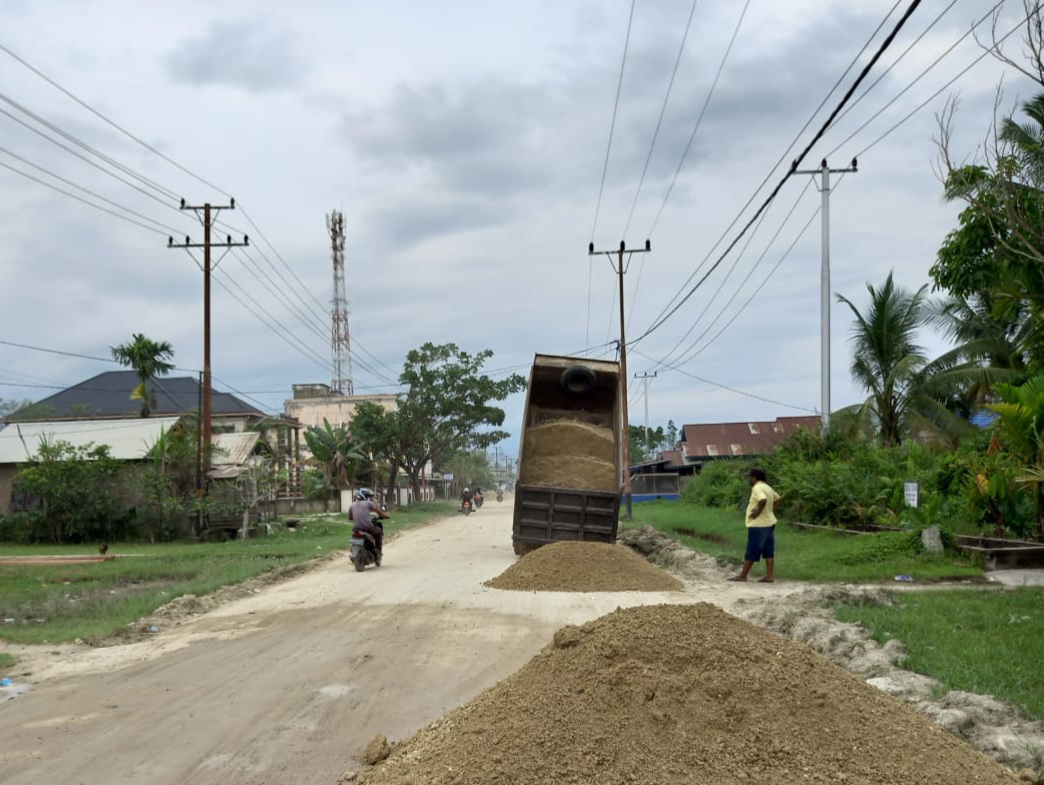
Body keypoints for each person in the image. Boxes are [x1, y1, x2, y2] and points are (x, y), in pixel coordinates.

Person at [728, 467, 782, 583]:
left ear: (754, 477)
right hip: (769, 523)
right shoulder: (767, 487)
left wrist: (757, 512)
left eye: (750, 477)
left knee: (752, 549)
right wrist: (769, 511)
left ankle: (743, 575)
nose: (749, 479)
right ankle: (769, 576)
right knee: (768, 551)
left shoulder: (757, 488)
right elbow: (778, 498)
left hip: (758, 525)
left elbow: (762, 500)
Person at [349, 488, 388, 559]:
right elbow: (379, 512)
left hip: (357, 528)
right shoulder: (368, 503)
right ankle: (377, 551)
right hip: (368, 528)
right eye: (367, 496)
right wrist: (385, 515)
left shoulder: (352, 505)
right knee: (379, 532)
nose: (368, 498)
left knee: (353, 536)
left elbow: (350, 518)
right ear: (364, 496)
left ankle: (353, 552)